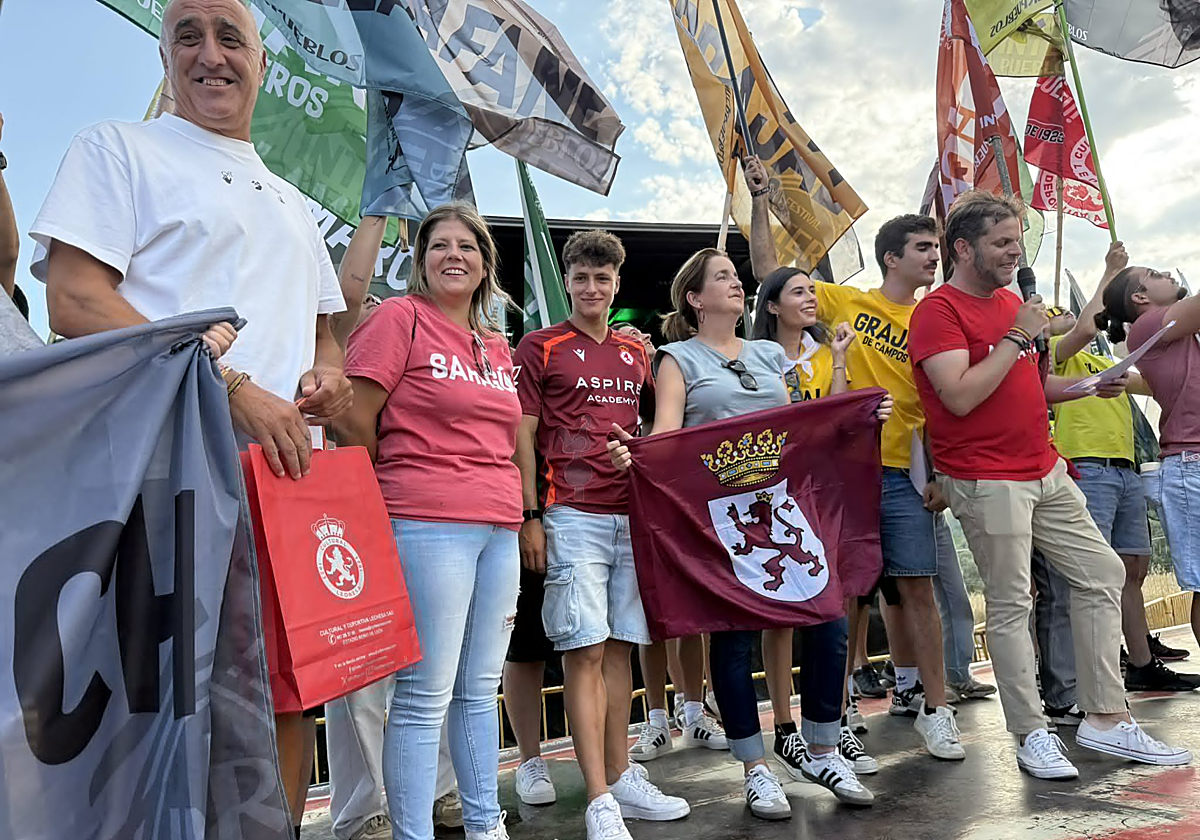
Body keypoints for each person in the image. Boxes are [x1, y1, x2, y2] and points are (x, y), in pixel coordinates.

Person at [30, 2, 352, 833]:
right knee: (170, 708)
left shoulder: (293, 200)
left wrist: (326, 377)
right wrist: (232, 383)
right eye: (188, 36)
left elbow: (325, 333)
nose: (210, 55)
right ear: (166, 55)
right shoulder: (119, 148)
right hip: (164, 476)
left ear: (263, 65)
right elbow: (74, 299)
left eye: (230, 37)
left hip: (282, 482)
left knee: (284, 692)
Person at [909, 189, 1190, 780]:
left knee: (1104, 574)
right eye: (1002, 242)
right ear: (964, 247)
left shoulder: (1013, 305)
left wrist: (1088, 386)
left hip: (1045, 467)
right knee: (1013, 602)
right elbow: (958, 396)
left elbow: (1033, 385)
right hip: (985, 477)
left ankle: (1106, 720)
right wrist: (1017, 334)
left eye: (1017, 240)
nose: (1014, 252)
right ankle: (1031, 734)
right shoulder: (937, 312)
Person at [609, 248, 875, 817]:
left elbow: (801, 425)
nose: (736, 283)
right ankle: (755, 768)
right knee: (733, 638)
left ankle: (824, 748)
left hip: (782, 507)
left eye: (735, 275)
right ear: (695, 299)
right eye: (722, 278)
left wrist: (853, 415)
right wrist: (635, 454)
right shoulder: (675, 358)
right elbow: (668, 434)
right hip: (720, 515)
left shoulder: (766, 353)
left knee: (828, 619)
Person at [746, 156, 980, 764]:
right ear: (891, 259)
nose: (934, 258)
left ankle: (936, 711)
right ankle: (840, 710)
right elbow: (771, 273)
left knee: (917, 590)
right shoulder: (846, 304)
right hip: (840, 475)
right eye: (923, 248)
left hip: (907, 472)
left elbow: (948, 405)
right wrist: (760, 199)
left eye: (937, 248)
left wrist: (944, 474)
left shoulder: (939, 320)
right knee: (845, 594)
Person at [336, 203, 519, 840]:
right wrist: (409, 470)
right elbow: (352, 416)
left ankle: (484, 824)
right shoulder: (400, 318)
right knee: (423, 696)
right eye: (439, 245)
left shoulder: (496, 345)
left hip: (499, 526)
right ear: (421, 262)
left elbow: (509, 435)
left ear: (484, 263)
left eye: (467, 246)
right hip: (426, 520)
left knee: (479, 691)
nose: (453, 255)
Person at [513, 229, 689, 840]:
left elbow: (656, 427)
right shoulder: (538, 347)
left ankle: (621, 775)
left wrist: (637, 459)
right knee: (582, 649)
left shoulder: (636, 352)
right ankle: (596, 799)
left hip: (629, 513)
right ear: (568, 281)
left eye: (603, 278)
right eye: (582, 278)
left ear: (617, 284)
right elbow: (522, 438)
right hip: (570, 513)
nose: (592, 288)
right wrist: (530, 514)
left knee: (619, 650)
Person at [1039, 245, 1198, 702]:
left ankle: (1141, 658)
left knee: (1132, 569)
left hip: (1124, 462)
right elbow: (1090, 320)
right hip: (1087, 464)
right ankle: (1084, 675)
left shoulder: (1112, 352)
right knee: (1093, 574)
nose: (1065, 315)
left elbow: (1147, 378)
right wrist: (1110, 271)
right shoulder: (1058, 353)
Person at [749, 265, 888, 783]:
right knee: (780, 613)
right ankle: (784, 725)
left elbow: (833, 416)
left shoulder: (830, 352)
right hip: (771, 494)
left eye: (813, 290)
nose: (811, 299)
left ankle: (835, 720)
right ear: (771, 306)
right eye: (798, 292)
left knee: (835, 604)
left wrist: (846, 365)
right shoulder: (755, 357)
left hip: (822, 494)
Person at [1095, 260, 1200, 659]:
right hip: (1191, 462)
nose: (1167, 274)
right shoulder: (1148, 325)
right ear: (1140, 297)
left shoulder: (1173, 332)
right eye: (1154, 273)